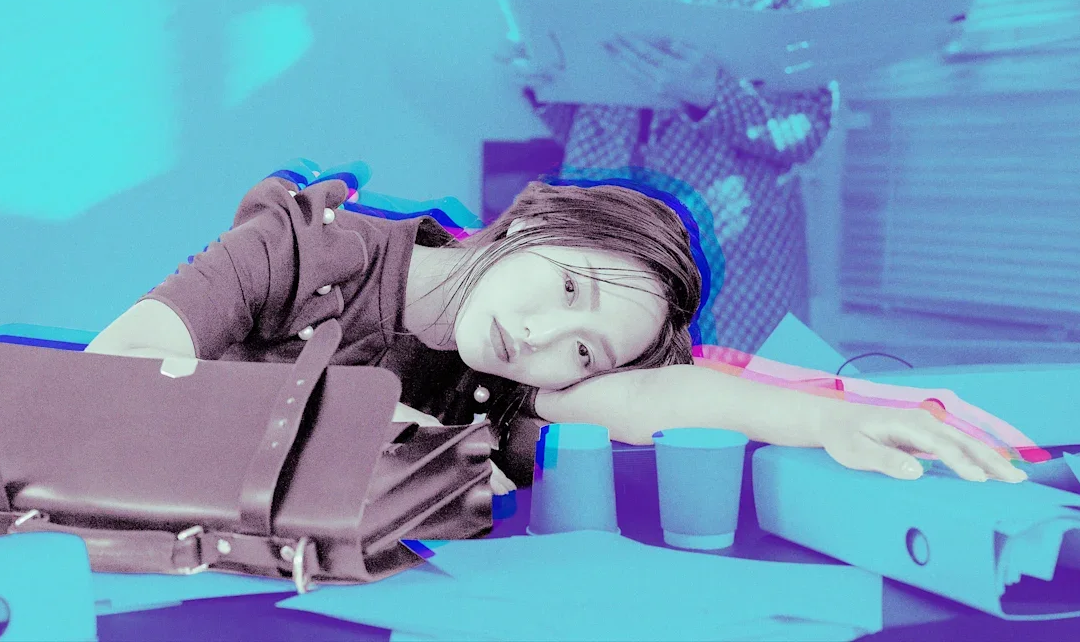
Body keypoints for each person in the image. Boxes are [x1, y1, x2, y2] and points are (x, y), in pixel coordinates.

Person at [85, 174, 1028, 496]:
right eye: (569, 286)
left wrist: (827, 421)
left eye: (584, 351)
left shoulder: (502, 386)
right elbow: (112, 374)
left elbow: (661, 394)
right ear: (533, 221)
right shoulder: (301, 248)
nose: (541, 336)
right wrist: (348, 430)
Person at [500, 0, 837, 353]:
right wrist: (544, 84)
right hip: (604, 229)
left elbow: (809, 124)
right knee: (598, 379)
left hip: (726, 243)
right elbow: (582, 129)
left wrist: (711, 94)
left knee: (720, 386)